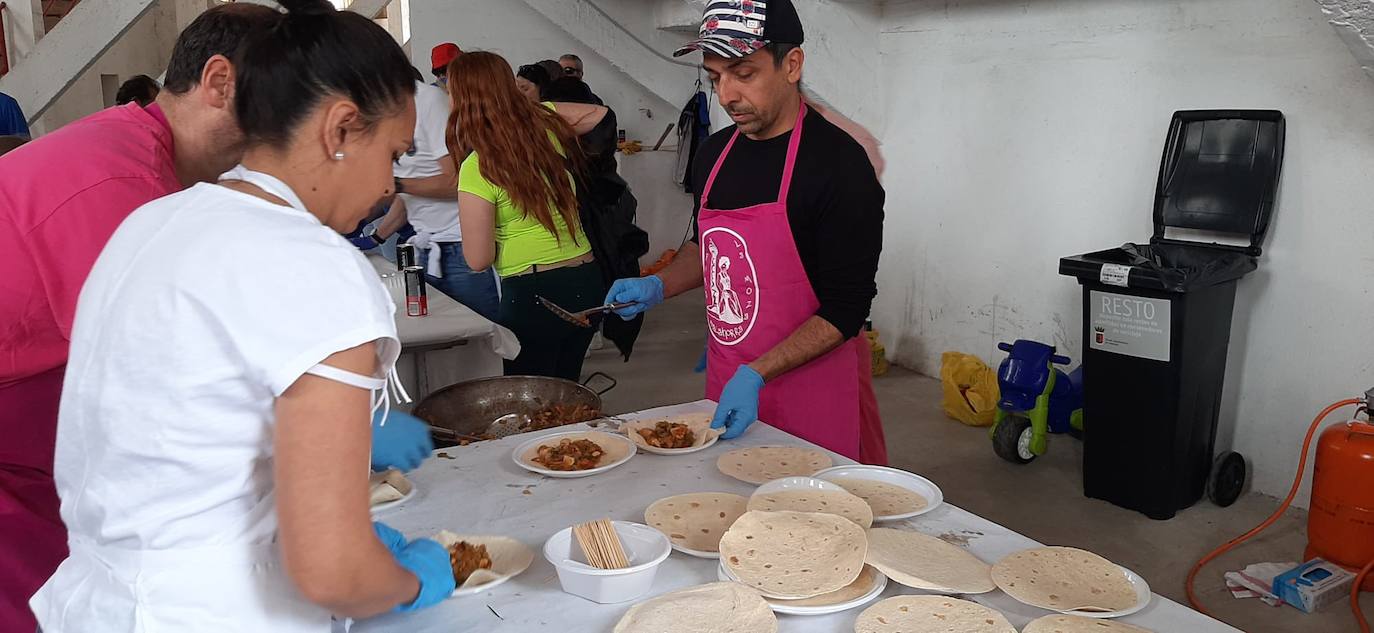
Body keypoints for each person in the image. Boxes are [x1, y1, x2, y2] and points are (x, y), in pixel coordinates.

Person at [29, 1, 454, 630]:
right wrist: (406, 579)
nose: (388, 187)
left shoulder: (150, 225)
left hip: (99, 602)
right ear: (339, 130)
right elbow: (334, 571)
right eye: (391, 155)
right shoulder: (316, 264)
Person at [0, 6, 281, 630]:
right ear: (220, 83)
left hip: (34, 449)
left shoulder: (153, 160)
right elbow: (160, 394)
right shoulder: (117, 181)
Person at [605, 0, 888, 465]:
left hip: (810, 392)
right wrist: (660, 284)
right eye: (716, 77)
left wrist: (757, 373)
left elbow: (847, 309)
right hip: (728, 380)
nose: (727, 95)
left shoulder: (838, 166)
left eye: (744, 73)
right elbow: (708, 246)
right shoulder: (714, 155)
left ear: (791, 64)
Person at [447, 52, 610, 380]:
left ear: (463, 99)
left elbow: (479, 259)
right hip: (586, 277)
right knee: (568, 387)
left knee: (536, 403)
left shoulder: (478, 167)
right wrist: (536, 112)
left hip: (533, 291)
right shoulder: (548, 134)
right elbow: (599, 113)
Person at [358, 68, 501, 321]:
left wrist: (395, 184)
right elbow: (412, 189)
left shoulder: (429, 103)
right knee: (438, 345)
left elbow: (457, 181)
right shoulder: (383, 115)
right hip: (425, 248)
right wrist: (376, 238)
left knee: (482, 339)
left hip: (461, 248)